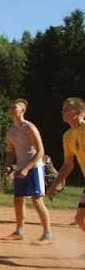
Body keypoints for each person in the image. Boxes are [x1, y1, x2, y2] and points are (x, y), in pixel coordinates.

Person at [1, 98, 52, 245]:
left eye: (15, 107)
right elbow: (11, 152)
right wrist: (8, 166)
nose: (11, 110)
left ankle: (47, 234)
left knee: (37, 200)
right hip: (20, 168)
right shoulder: (10, 132)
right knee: (18, 199)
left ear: (22, 110)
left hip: (35, 168)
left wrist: (27, 168)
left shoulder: (29, 127)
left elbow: (41, 151)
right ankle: (19, 232)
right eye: (10, 107)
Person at [47, 97, 85, 234]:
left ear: (78, 112)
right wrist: (54, 185)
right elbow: (68, 164)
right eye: (63, 109)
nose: (62, 111)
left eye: (67, 109)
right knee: (79, 219)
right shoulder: (67, 136)